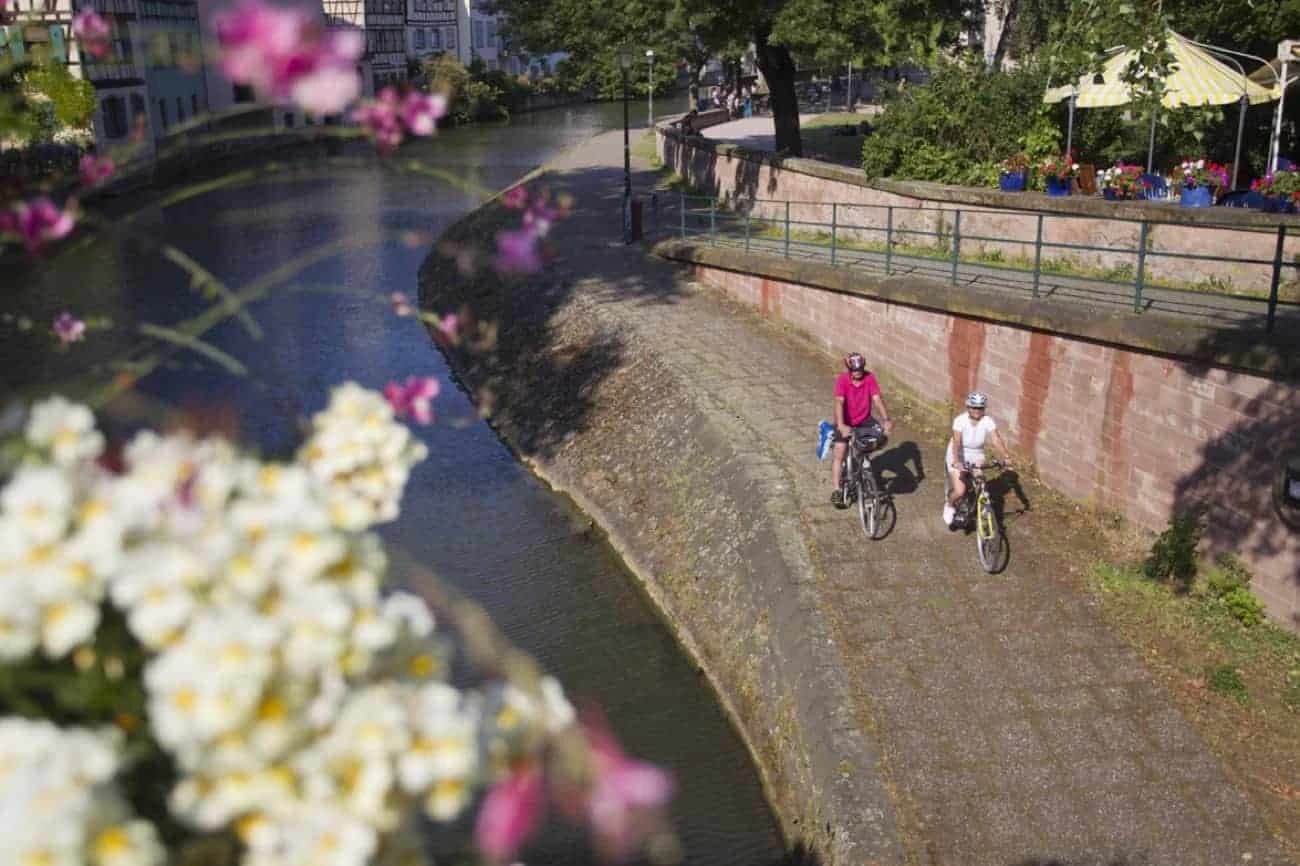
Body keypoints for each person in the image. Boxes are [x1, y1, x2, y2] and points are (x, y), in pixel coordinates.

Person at [830, 353, 893, 507]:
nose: (858, 372)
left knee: (880, 437)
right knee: (840, 450)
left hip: (864, 420)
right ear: (849, 369)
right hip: (845, 420)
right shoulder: (842, 380)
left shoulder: (869, 378)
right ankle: (837, 489)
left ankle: (864, 466)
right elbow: (839, 402)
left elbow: (877, 399)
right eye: (854, 369)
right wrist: (841, 425)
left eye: (860, 369)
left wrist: (886, 420)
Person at [943, 392, 1012, 527]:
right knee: (960, 490)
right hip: (959, 453)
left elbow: (996, 439)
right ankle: (949, 504)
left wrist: (1006, 456)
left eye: (980, 408)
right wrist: (957, 461)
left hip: (976, 454)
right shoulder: (960, 420)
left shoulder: (988, 421)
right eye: (973, 407)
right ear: (968, 407)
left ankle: (981, 507)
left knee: (981, 482)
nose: (977, 410)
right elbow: (956, 442)